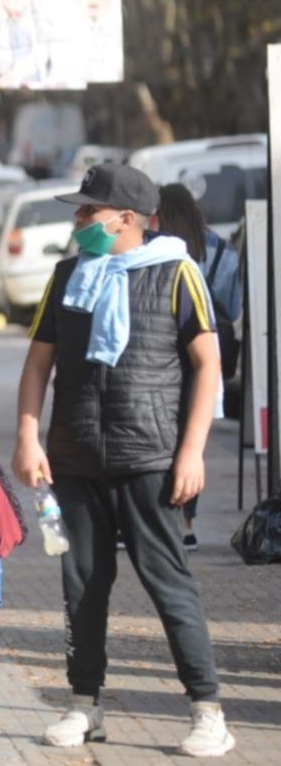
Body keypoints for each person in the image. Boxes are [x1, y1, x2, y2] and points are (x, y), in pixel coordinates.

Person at [13, 164, 235, 757]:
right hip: (75, 457)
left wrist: (192, 452)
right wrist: (28, 437)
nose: (80, 221)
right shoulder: (67, 276)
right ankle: (84, 704)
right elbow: (37, 365)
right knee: (82, 585)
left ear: (126, 219)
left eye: (90, 212)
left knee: (169, 583)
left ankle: (207, 710)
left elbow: (208, 365)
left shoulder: (177, 273)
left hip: (149, 459)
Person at [153, 182, 242, 551]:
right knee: (193, 439)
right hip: (204, 352)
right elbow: (232, 308)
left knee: (156, 434)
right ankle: (186, 525)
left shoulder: (154, 246)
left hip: (161, 350)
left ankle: (152, 518)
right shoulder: (220, 249)